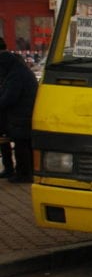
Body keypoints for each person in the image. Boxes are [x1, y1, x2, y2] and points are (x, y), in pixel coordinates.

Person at [0, 50, 39, 183]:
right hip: (27, 113)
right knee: (25, 145)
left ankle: (23, 174)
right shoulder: (20, 71)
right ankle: (27, 172)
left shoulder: (15, 75)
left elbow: (9, 97)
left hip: (21, 115)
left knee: (21, 146)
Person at [0, 37, 12, 178]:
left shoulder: (4, 61)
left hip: (8, 109)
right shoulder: (12, 59)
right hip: (11, 109)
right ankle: (8, 168)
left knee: (4, 138)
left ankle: (9, 168)